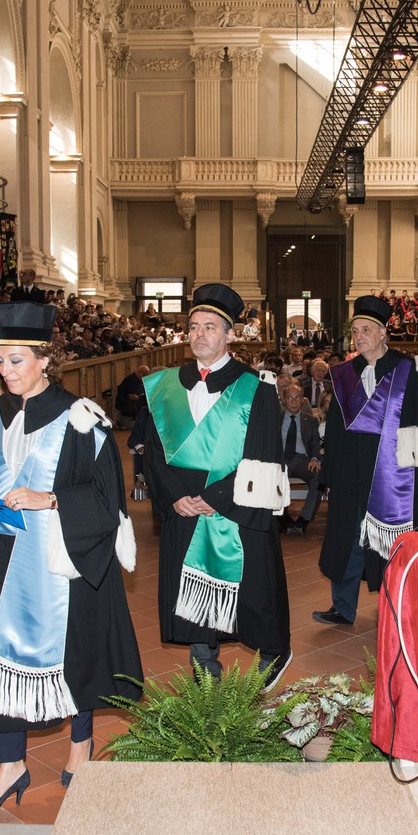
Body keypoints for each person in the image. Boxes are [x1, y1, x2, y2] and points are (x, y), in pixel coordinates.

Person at [0, 302, 143, 809]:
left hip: (65, 556)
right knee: (1, 652)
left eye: (17, 360)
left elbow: (108, 500)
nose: (6, 370)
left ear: (45, 359)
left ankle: (80, 743)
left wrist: (53, 499)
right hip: (7, 556)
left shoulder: (80, 418)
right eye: (0, 361)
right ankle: (10, 763)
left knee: (74, 650)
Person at [143, 283, 292, 684]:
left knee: (255, 590)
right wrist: (174, 496)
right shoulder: (165, 385)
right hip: (184, 505)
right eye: (193, 327)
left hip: (237, 504)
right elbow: (153, 451)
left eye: (210, 327)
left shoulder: (255, 386)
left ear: (229, 335)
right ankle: (204, 662)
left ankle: (273, 651)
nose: (199, 335)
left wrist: (217, 497)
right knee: (190, 589)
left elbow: (265, 453)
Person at [313, 296, 418, 626]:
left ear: (383, 333)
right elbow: (335, 430)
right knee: (348, 536)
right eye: (355, 331)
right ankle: (342, 606)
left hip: (394, 473)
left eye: (366, 330)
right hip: (351, 471)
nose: (359, 336)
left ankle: (396, 605)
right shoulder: (343, 374)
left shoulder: (410, 370)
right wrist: (330, 475)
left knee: (392, 541)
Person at [280, 381, 323, 535]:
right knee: (272, 477)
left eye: (297, 398)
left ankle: (304, 519)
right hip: (280, 460)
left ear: (303, 400)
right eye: (290, 398)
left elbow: (315, 443)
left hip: (302, 461)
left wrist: (315, 458)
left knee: (319, 477)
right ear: (284, 399)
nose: (294, 401)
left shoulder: (310, 420)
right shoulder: (275, 418)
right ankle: (282, 518)